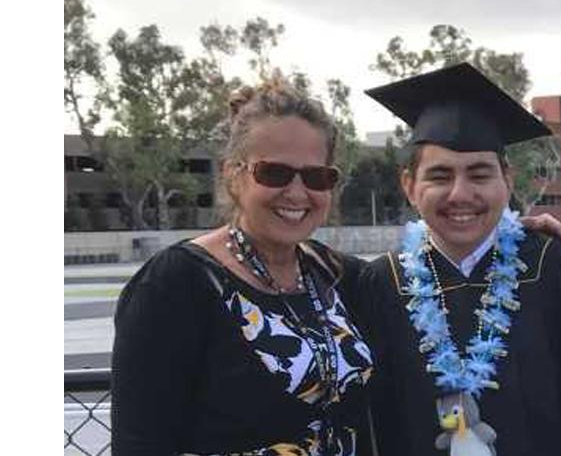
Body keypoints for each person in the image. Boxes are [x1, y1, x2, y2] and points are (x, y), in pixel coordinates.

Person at [111, 77, 376, 455]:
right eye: (274, 173)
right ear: (232, 173)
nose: (298, 193)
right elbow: (140, 443)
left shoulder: (336, 274)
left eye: (317, 176)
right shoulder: (177, 283)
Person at [349, 63, 561, 455]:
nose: (460, 194)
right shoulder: (382, 283)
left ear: (507, 178)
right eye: (440, 176)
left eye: (479, 174)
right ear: (408, 185)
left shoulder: (557, 268)